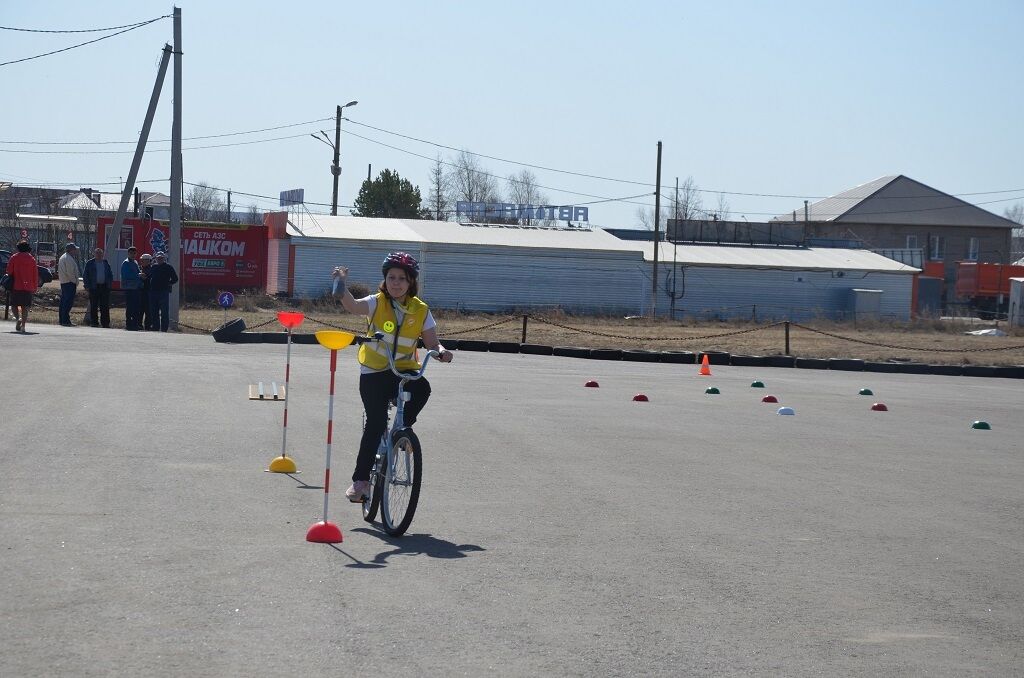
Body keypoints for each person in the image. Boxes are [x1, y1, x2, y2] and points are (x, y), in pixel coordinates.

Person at [330, 251, 453, 502]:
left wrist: (441, 352)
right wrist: (340, 285)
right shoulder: (377, 302)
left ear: (411, 283)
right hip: (374, 372)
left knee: (423, 388)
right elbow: (353, 306)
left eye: (402, 279)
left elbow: (432, 342)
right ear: (385, 280)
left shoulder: (421, 310)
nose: (396, 283)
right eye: (391, 277)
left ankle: (403, 431)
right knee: (375, 424)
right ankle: (361, 482)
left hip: (404, 371)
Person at [7, 240, 38, 333]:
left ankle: (18, 318)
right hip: (28, 287)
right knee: (25, 307)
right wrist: (35, 287)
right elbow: (35, 274)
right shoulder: (32, 259)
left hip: (16, 286)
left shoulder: (14, 258)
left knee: (13, 305)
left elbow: (9, 272)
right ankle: (23, 326)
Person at [83, 248, 114, 328]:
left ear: (103, 254)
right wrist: (87, 286)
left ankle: (105, 323)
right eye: (97, 253)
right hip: (94, 287)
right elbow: (85, 275)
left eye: (100, 253)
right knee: (94, 305)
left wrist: (109, 285)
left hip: (104, 287)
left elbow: (110, 275)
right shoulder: (90, 263)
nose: (99, 255)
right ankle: (94, 322)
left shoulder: (105, 263)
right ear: (94, 254)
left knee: (105, 306)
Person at [148, 251, 178, 332]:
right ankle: (155, 327)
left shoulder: (168, 267)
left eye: (161, 258)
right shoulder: (153, 267)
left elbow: (175, 278)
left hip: (163, 292)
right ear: (156, 258)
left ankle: (164, 329)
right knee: (154, 311)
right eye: (158, 258)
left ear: (164, 258)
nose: (159, 259)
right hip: (153, 292)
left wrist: (169, 284)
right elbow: (148, 277)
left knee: (164, 312)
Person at [57, 242, 81, 326]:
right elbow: (70, 273)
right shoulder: (68, 258)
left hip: (64, 283)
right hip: (69, 283)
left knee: (63, 302)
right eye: (75, 249)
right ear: (71, 250)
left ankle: (62, 320)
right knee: (68, 302)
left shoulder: (63, 257)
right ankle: (65, 320)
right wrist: (75, 281)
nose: (76, 251)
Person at [120, 246, 142, 331]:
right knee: (130, 307)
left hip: (135, 288)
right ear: (128, 253)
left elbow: (137, 272)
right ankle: (129, 324)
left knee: (136, 307)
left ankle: (135, 324)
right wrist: (138, 275)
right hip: (129, 288)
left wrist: (140, 277)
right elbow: (126, 275)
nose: (133, 255)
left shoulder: (135, 262)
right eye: (131, 253)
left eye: (134, 253)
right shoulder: (126, 263)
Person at [138, 253, 154, 330]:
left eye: (144, 260)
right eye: (142, 260)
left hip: (148, 292)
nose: (142, 262)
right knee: (140, 309)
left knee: (148, 310)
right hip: (140, 292)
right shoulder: (140, 268)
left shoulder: (151, 269)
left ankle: (148, 325)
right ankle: (139, 324)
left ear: (148, 261)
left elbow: (149, 279)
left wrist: (144, 277)